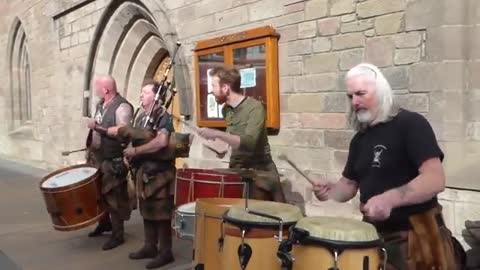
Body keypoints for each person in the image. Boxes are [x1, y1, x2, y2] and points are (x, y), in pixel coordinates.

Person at [313, 63, 464, 270]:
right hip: (375, 237)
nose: (355, 102)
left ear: (381, 92)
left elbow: (434, 179)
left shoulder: (411, 124)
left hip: (417, 239)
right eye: (350, 96)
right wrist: (331, 191)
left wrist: (389, 200)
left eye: (361, 94)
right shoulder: (360, 139)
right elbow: (349, 185)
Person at [197, 66, 286, 202]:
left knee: (267, 219)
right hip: (237, 170)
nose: (211, 90)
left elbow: (249, 143)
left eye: (214, 86)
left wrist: (217, 133)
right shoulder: (226, 110)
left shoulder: (255, 107)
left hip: (260, 172)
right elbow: (232, 139)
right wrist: (216, 143)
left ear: (225, 88)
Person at [119, 81, 175, 269]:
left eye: (145, 92)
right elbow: (134, 139)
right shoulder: (142, 116)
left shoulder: (162, 116)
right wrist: (129, 153)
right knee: (147, 210)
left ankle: (165, 252)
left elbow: (161, 142)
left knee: (161, 213)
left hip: (160, 174)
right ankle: (150, 246)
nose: (141, 95)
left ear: (156, 96)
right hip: (144, 173)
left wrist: (136, 152)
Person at [86, 75, 133, 250]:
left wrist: (96, 127)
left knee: (114, 197)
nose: (95, 90)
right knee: (100, 194)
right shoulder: (101, 105)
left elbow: (122, 132)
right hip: (99, 158)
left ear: (105, 89)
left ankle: (118, 234)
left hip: (114, 160)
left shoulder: (122, 107)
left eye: (97, 87)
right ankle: (104, 223)